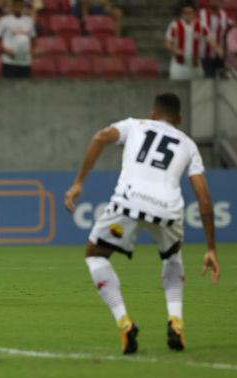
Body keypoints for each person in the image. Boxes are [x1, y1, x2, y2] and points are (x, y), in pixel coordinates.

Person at [63, 93, 220, 355]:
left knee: (95, 256)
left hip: (129, 203)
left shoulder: (134, 125)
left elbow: (100, 137)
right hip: (168, 210)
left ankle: (124, 322)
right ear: (179, 120)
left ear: (153, 114)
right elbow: (204, 198)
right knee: (172, 257)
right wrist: (211, 248)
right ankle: (176, 322)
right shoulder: (189, 145)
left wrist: (79, 182)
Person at [165, 3, 222, 81]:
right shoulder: (174, 25)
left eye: (190, 13)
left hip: (195, 65)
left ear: (194, 13)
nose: (187, 15)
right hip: (179, 65)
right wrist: (175, 50)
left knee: (198, 90)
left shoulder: (201, 25)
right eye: (185, 13)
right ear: (182, 14)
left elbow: (211, 39)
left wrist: (218, 48)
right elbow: (167, 43)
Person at [0, 0, 36, 78]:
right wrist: (5, 50)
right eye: (15, 6)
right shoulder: (4, 20)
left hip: (25, 62)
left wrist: (36, 49)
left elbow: (33, 39)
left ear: (23, 7)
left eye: (19, 6)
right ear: (12, 7)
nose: (17, 8)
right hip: (9, 62)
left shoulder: (29, 21)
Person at [198, 0, 231, 78]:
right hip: (205, 54)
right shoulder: (202, 14)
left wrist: (224, 50)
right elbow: (204, 33)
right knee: (208, 79)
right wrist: (217, 48)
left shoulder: (223, 15)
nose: (215, 2)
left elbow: (225, 33)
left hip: (219, 55)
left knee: (222, 81)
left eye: (218, 0)